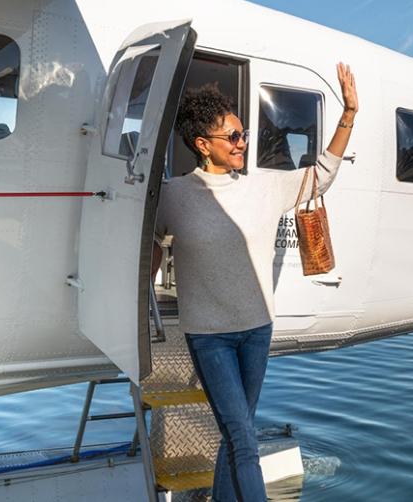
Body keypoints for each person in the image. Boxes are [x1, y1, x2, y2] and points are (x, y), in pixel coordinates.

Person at [153, 62, 358, 502]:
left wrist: (349, 115)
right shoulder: (173, 196)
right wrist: (131, 306)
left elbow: (322, 173)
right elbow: (151, 247)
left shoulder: (263, 188)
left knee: (236, 435)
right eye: (234, 137)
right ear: (203, 145)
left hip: (257, 330)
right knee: (244, 439)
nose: (244, 143)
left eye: (244, 134)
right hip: (209, 337)